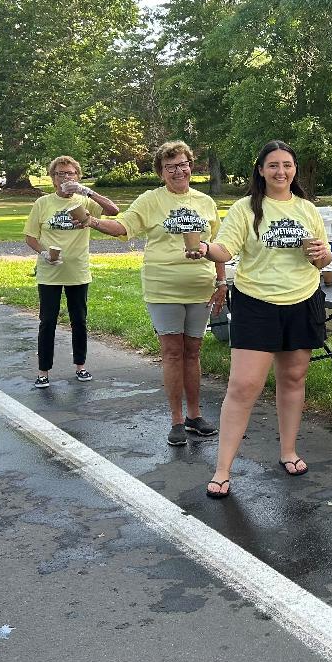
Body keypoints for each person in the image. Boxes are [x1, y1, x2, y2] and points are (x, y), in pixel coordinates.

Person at [199, 140, 332, 500]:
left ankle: (288, 451)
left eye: (287, 165)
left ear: (295, 170)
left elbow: (322, 261)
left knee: (293, 377)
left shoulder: (307, 209)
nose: (281, 172)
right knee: (243, 386)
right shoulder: (246, 209)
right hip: (257, 304)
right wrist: (202, 248)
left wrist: (323, 254)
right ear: (260, 170)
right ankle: (223, 469)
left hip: (302, 301)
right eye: (273, 165)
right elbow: (225, 249)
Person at [89, 141, 226, 447]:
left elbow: (218, 247)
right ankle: (176, 419)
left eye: (183, 164)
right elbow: (122, 226)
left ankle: (194, 416)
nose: (178, 170)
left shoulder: (205, 202)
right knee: (172, 352)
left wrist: (221, 282)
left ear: (191, 166)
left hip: (199, 286)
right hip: (163, 287)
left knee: (193, 352)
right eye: (170, 166)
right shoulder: (151, 200)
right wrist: (92, 221)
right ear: (161, 172)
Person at [25, 156, 119, 388]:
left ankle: (81, 366)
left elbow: (114, 210)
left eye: (70, 173)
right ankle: (43, 371)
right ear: (53, 179)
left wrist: (87, 191)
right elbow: (30, 237)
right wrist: (44, 253)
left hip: (78, 270)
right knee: (47, 321)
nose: (66, 178)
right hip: (50, 271)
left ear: (77, 176)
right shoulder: (43, 203)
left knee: (79, 320)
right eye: (60, 174)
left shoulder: (84, 202)